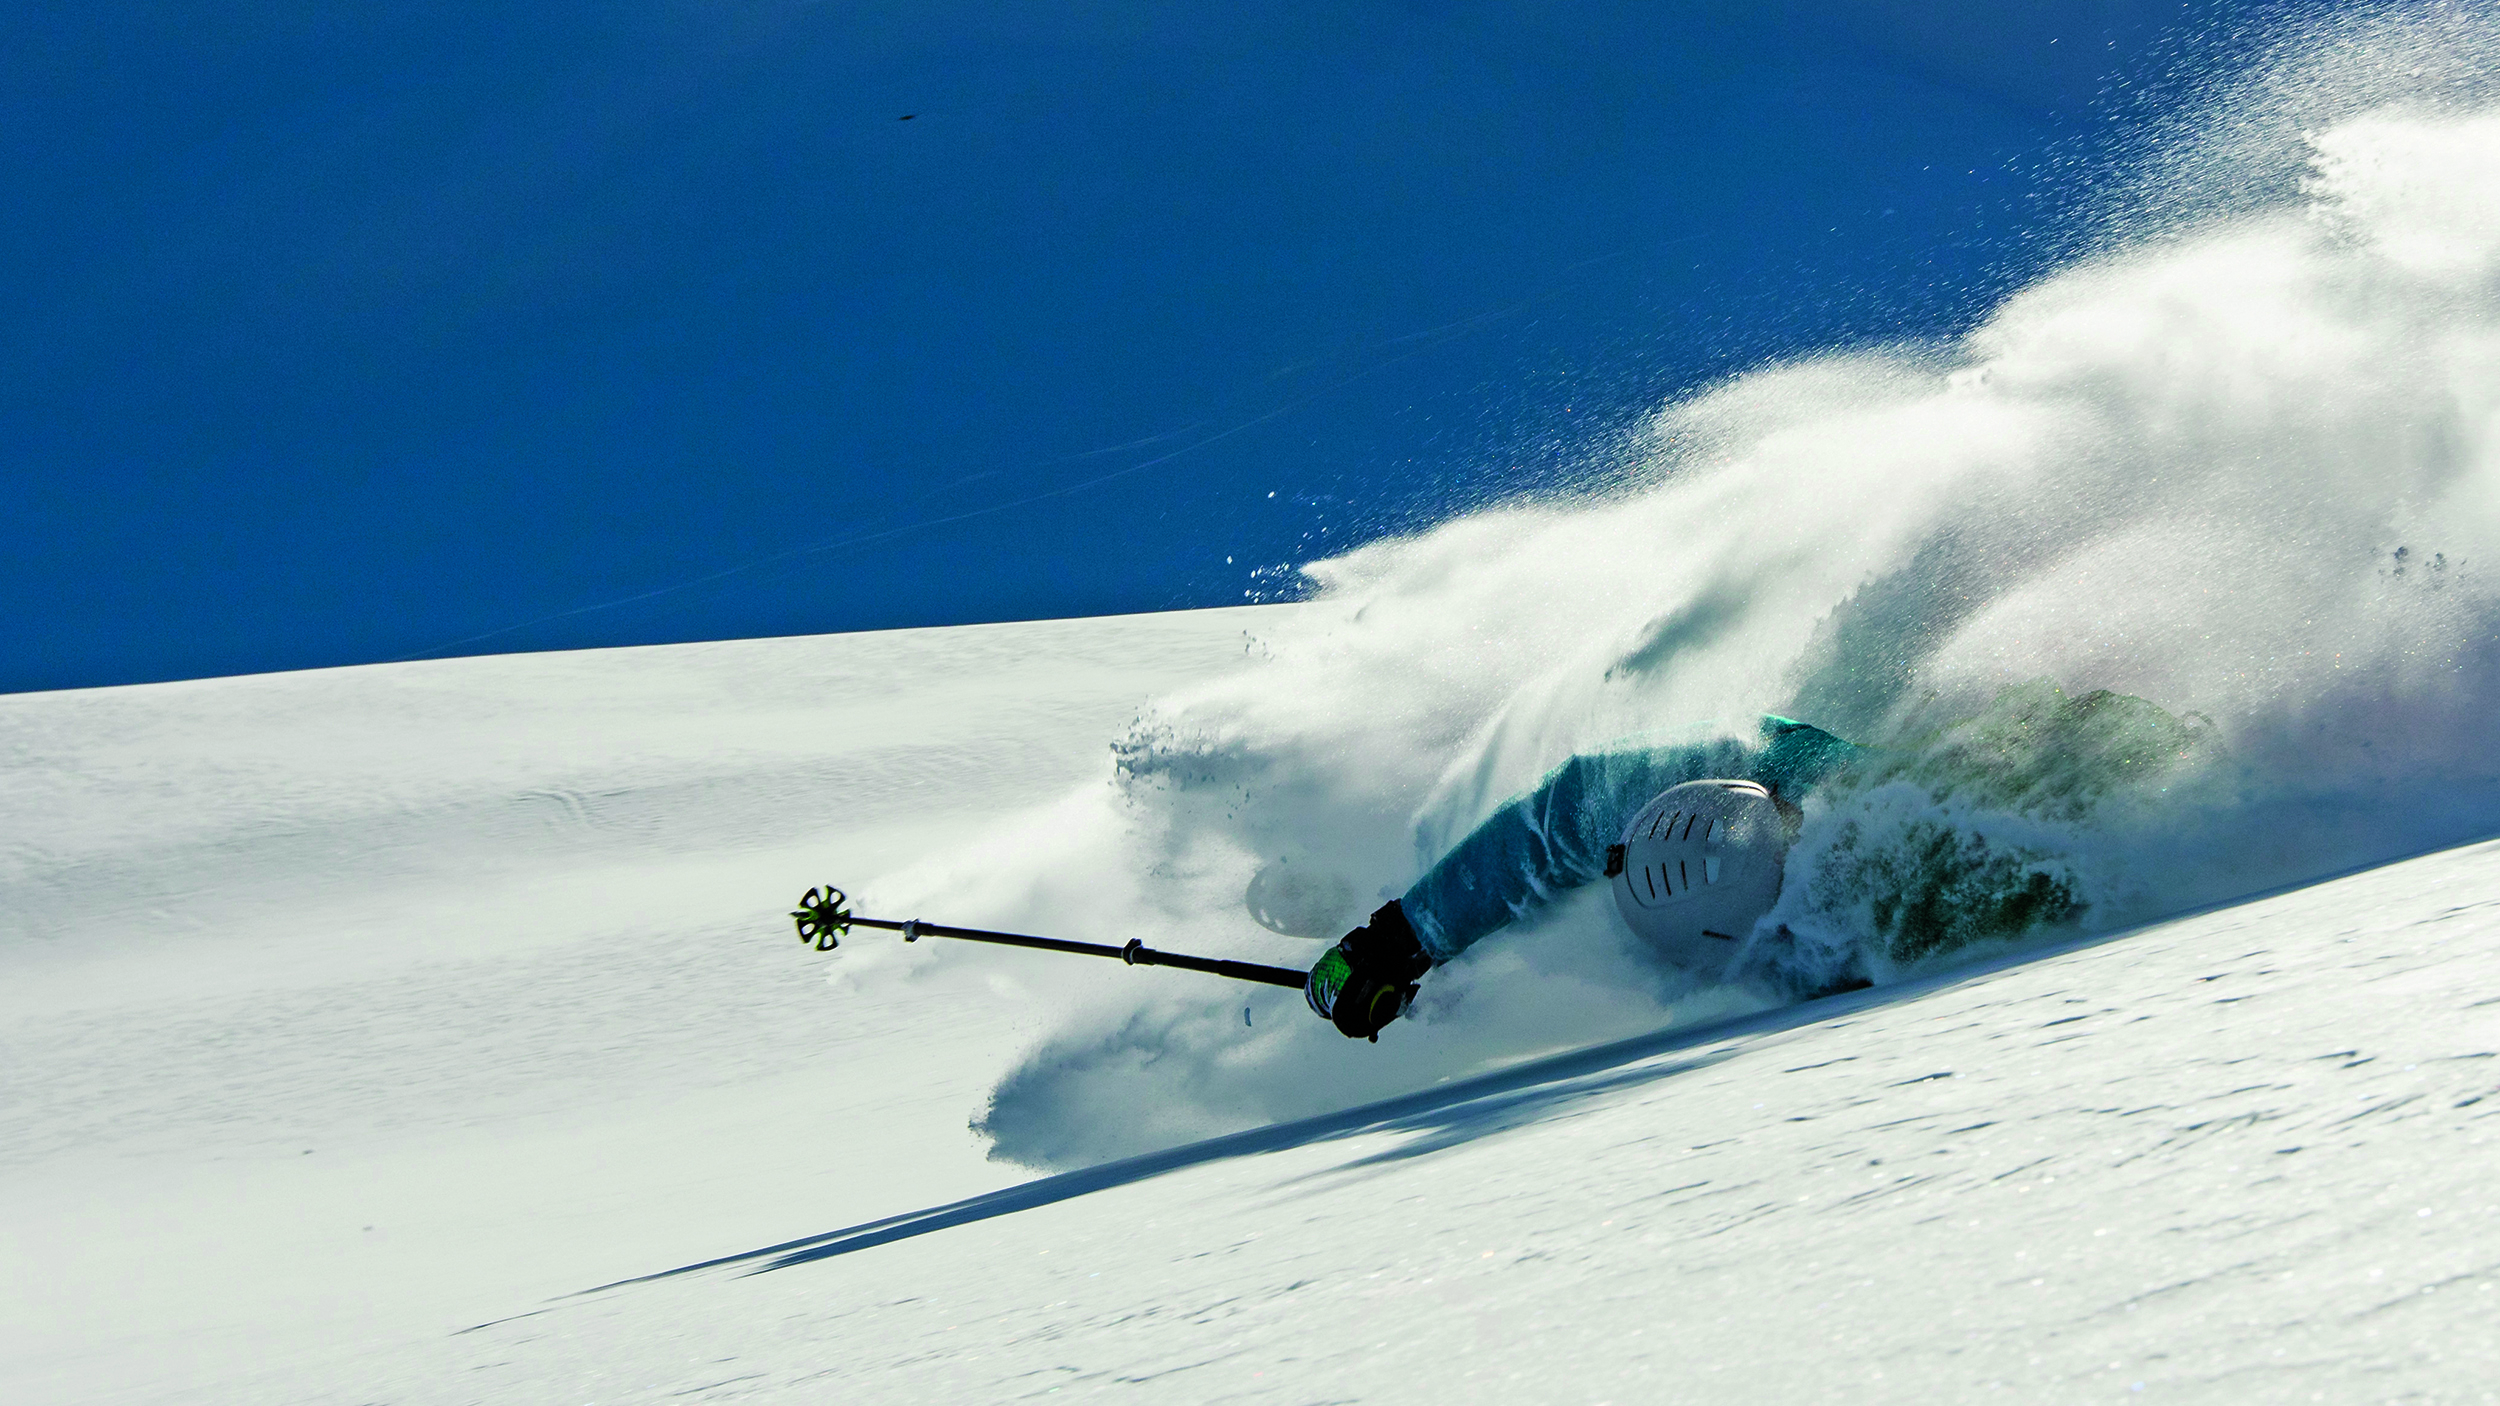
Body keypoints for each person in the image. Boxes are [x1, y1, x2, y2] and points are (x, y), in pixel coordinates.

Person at [1304, 715, 1863, 1039]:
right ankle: (1465, 977)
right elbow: (1559, 819)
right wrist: (1399, 942)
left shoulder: (1856, 809)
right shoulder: (1736, 766)